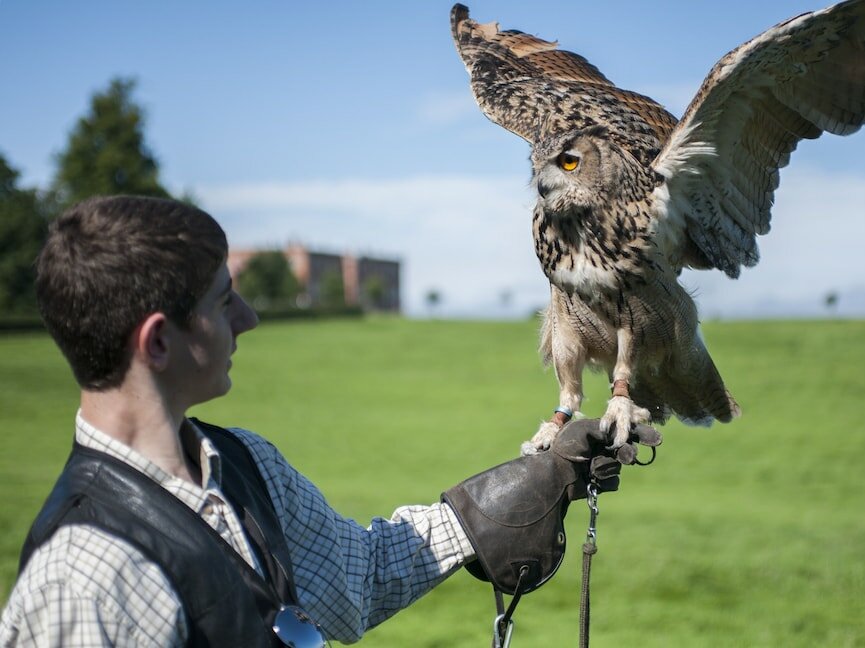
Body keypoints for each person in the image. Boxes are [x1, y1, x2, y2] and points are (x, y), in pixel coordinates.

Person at [0, 195, 659, 647]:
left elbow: (354, 579)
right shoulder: (82, 579)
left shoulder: (242, 465)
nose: (249, 319)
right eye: (223, 301)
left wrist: (526, 486)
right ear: (159, 343)